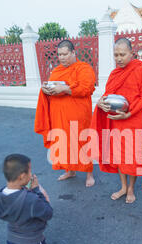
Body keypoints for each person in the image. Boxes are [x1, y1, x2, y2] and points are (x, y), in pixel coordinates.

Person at [91, 38, 142, 204]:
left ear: (132, 53)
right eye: (116, 55)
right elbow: (108, 94)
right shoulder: (114, 73)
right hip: (116, 120)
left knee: (133, 156)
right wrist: (101, 102)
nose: (119, 58)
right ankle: (123, 187)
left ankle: (131, 188)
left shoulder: (141, 70)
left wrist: (129, 112)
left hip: (134, 118)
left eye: (122, 54)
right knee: (118, 154)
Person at [35, 40, 96, 187]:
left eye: (65, 54)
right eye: (59, 55)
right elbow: (52, 88)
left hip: (78, 114)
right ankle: (70, 171)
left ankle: (89, 174)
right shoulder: (57, 71)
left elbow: (86, 88)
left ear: (73, 52)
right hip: (59, 114)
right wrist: (45, 89)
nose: (62, 58)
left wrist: (65, 89)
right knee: (63, 144)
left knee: (82, 142)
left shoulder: (84, 68)